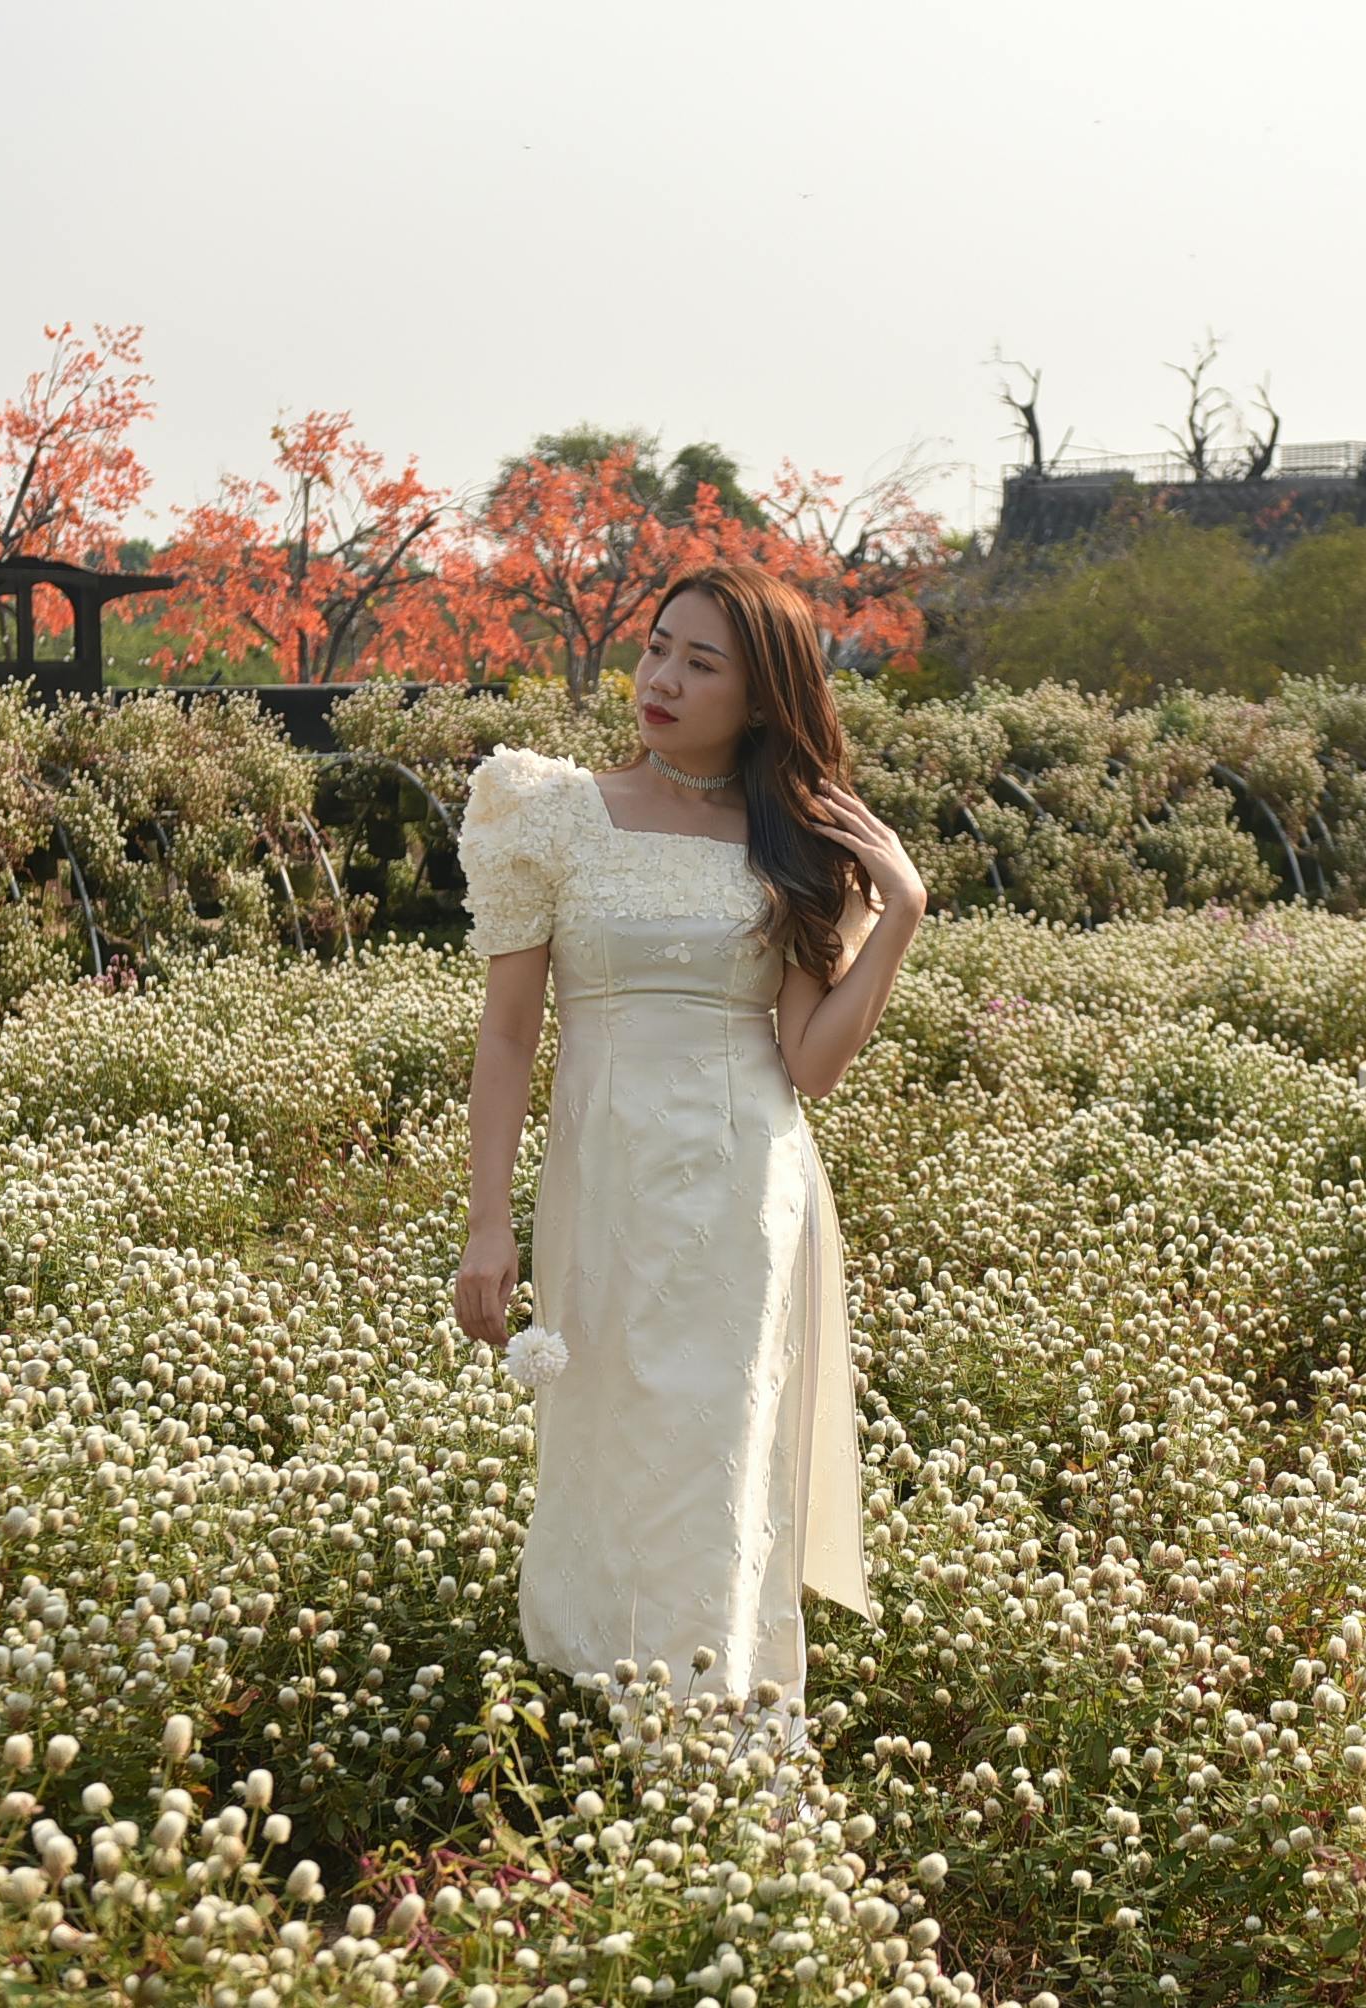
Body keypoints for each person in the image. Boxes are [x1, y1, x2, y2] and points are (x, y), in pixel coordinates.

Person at [450, 560, 928, 1757]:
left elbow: (810, 1062)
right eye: (657, 646)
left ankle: (720, 1749)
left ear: (762, 696)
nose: (660, 679)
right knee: (618, 1439)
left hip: (743, 1187)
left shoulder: (796, 844)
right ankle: (623, 1737)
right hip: (601, 1185)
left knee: (716, 1446)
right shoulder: (549, 810)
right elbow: (507, 1037)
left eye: (699, 663)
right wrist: (485, 1224)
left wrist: (901, 913)